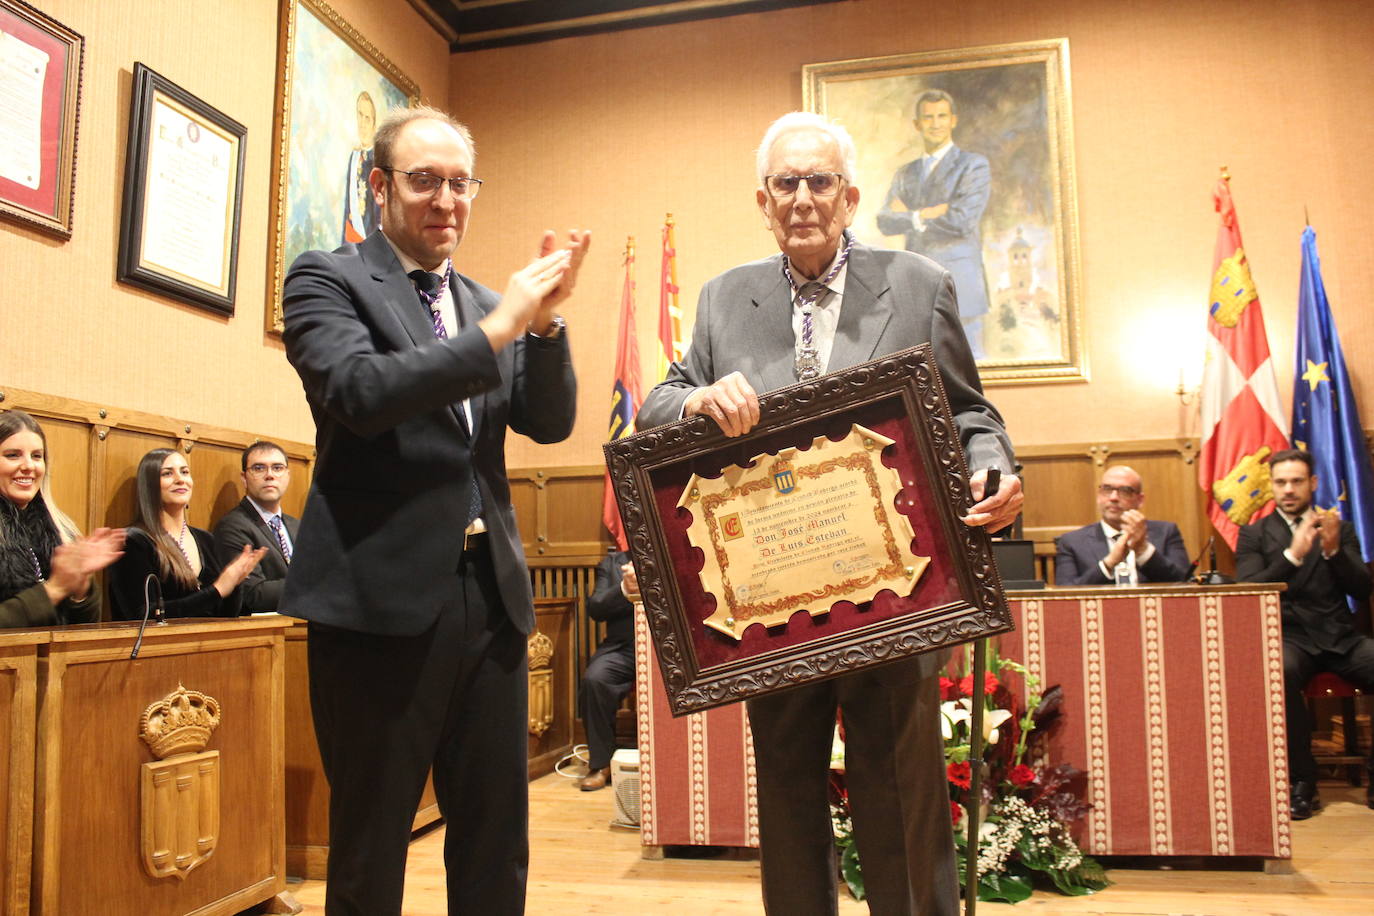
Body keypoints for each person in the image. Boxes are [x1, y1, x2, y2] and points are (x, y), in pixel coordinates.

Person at [638, 111, 1022, 916]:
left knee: (901, 804)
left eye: (819, 182)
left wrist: (993, 467)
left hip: (897, 595)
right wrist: (698, 398)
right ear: (763, 200)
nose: (803, 198)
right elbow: (659, 404)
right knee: (784, 802)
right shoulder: (722, 299)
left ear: (849, 197)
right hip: (773, 610)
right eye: (786, 183)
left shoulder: (918, 283)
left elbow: (970, 415)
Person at [280, 104, 589, 915]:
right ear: (381, 186)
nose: (446, 200)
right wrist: (500, 329)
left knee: (495, 839)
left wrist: (546, 325)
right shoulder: (328, 278)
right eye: (425, 181)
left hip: (488, 601)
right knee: (371, 845)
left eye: (460, 183)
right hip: (376, 603)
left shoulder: (492, 302)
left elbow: (549, 423)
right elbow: (361, 392)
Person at [1235, 448, 1374, 817]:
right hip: (1289, 635)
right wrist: (1293, 556)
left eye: (1297, 481)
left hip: (1339, 636)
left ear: (1312, 483)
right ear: (1271, 486)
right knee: (1278, 673)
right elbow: (1248, 588)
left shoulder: (1338, 528)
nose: (1289, 489)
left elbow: (1362, 590)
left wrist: (1333, 551)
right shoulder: (1253, 534)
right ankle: (1302, 781)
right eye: (1281, 482)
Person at [875, 89, 991, 358]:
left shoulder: (973, 166)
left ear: (953, 120)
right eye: (928, 118)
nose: (935, 123)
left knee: (970, 376)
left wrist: (909, 215)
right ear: (917, 124)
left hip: (961, 284)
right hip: (915, 287)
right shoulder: (906, 173)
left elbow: (962, 221)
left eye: (942, 116)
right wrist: (923, 215)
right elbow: (885, 221)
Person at [108, 449, 266, 621]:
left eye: (184, 472)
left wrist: (235, 583)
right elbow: (142, 615)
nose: (180, 480)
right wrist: (218, 589)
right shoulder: (133, 541)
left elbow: (226, 615)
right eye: (167, 473)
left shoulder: (206, 540)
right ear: (149, 485)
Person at [0, 410, 124, 628]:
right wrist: (54, 589)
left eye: (37, 456)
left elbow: (84, 628)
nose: (29, 466)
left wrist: (80, 586)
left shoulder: (61, 529)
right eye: (13, 455)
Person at [1054, 465, 1190, 585]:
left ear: (1140, 500)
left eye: (1124, 491)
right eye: (1107, 489)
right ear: (1098, 495)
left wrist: (1143, 550)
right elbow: (1065, 594)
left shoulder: (1166, 532)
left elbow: (1184, 582)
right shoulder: (1072, 542)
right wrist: (1109, 563)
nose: (1113, 498)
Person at [212, 441, 300, 612]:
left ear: (287, 475)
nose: (270, 475)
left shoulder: (298, 526)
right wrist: (312, 584)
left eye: (277, 468)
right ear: (244, 478)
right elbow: (251, 594)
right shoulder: (232, 527)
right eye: (259, 468)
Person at [577, 547, 637, 791]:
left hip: (669, 648)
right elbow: (597, 608)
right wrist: (624, 589)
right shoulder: (613, 563)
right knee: (595, 679)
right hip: (623, 649)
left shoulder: (678, 554)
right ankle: (601, 763)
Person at [342, 90, 379, 244]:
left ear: (373, 123)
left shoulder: (378, 161)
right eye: (360, 115)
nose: (362, 124)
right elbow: (347, 207)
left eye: (367, 118)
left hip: (370, 240)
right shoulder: (354, 157)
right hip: (351, 237)